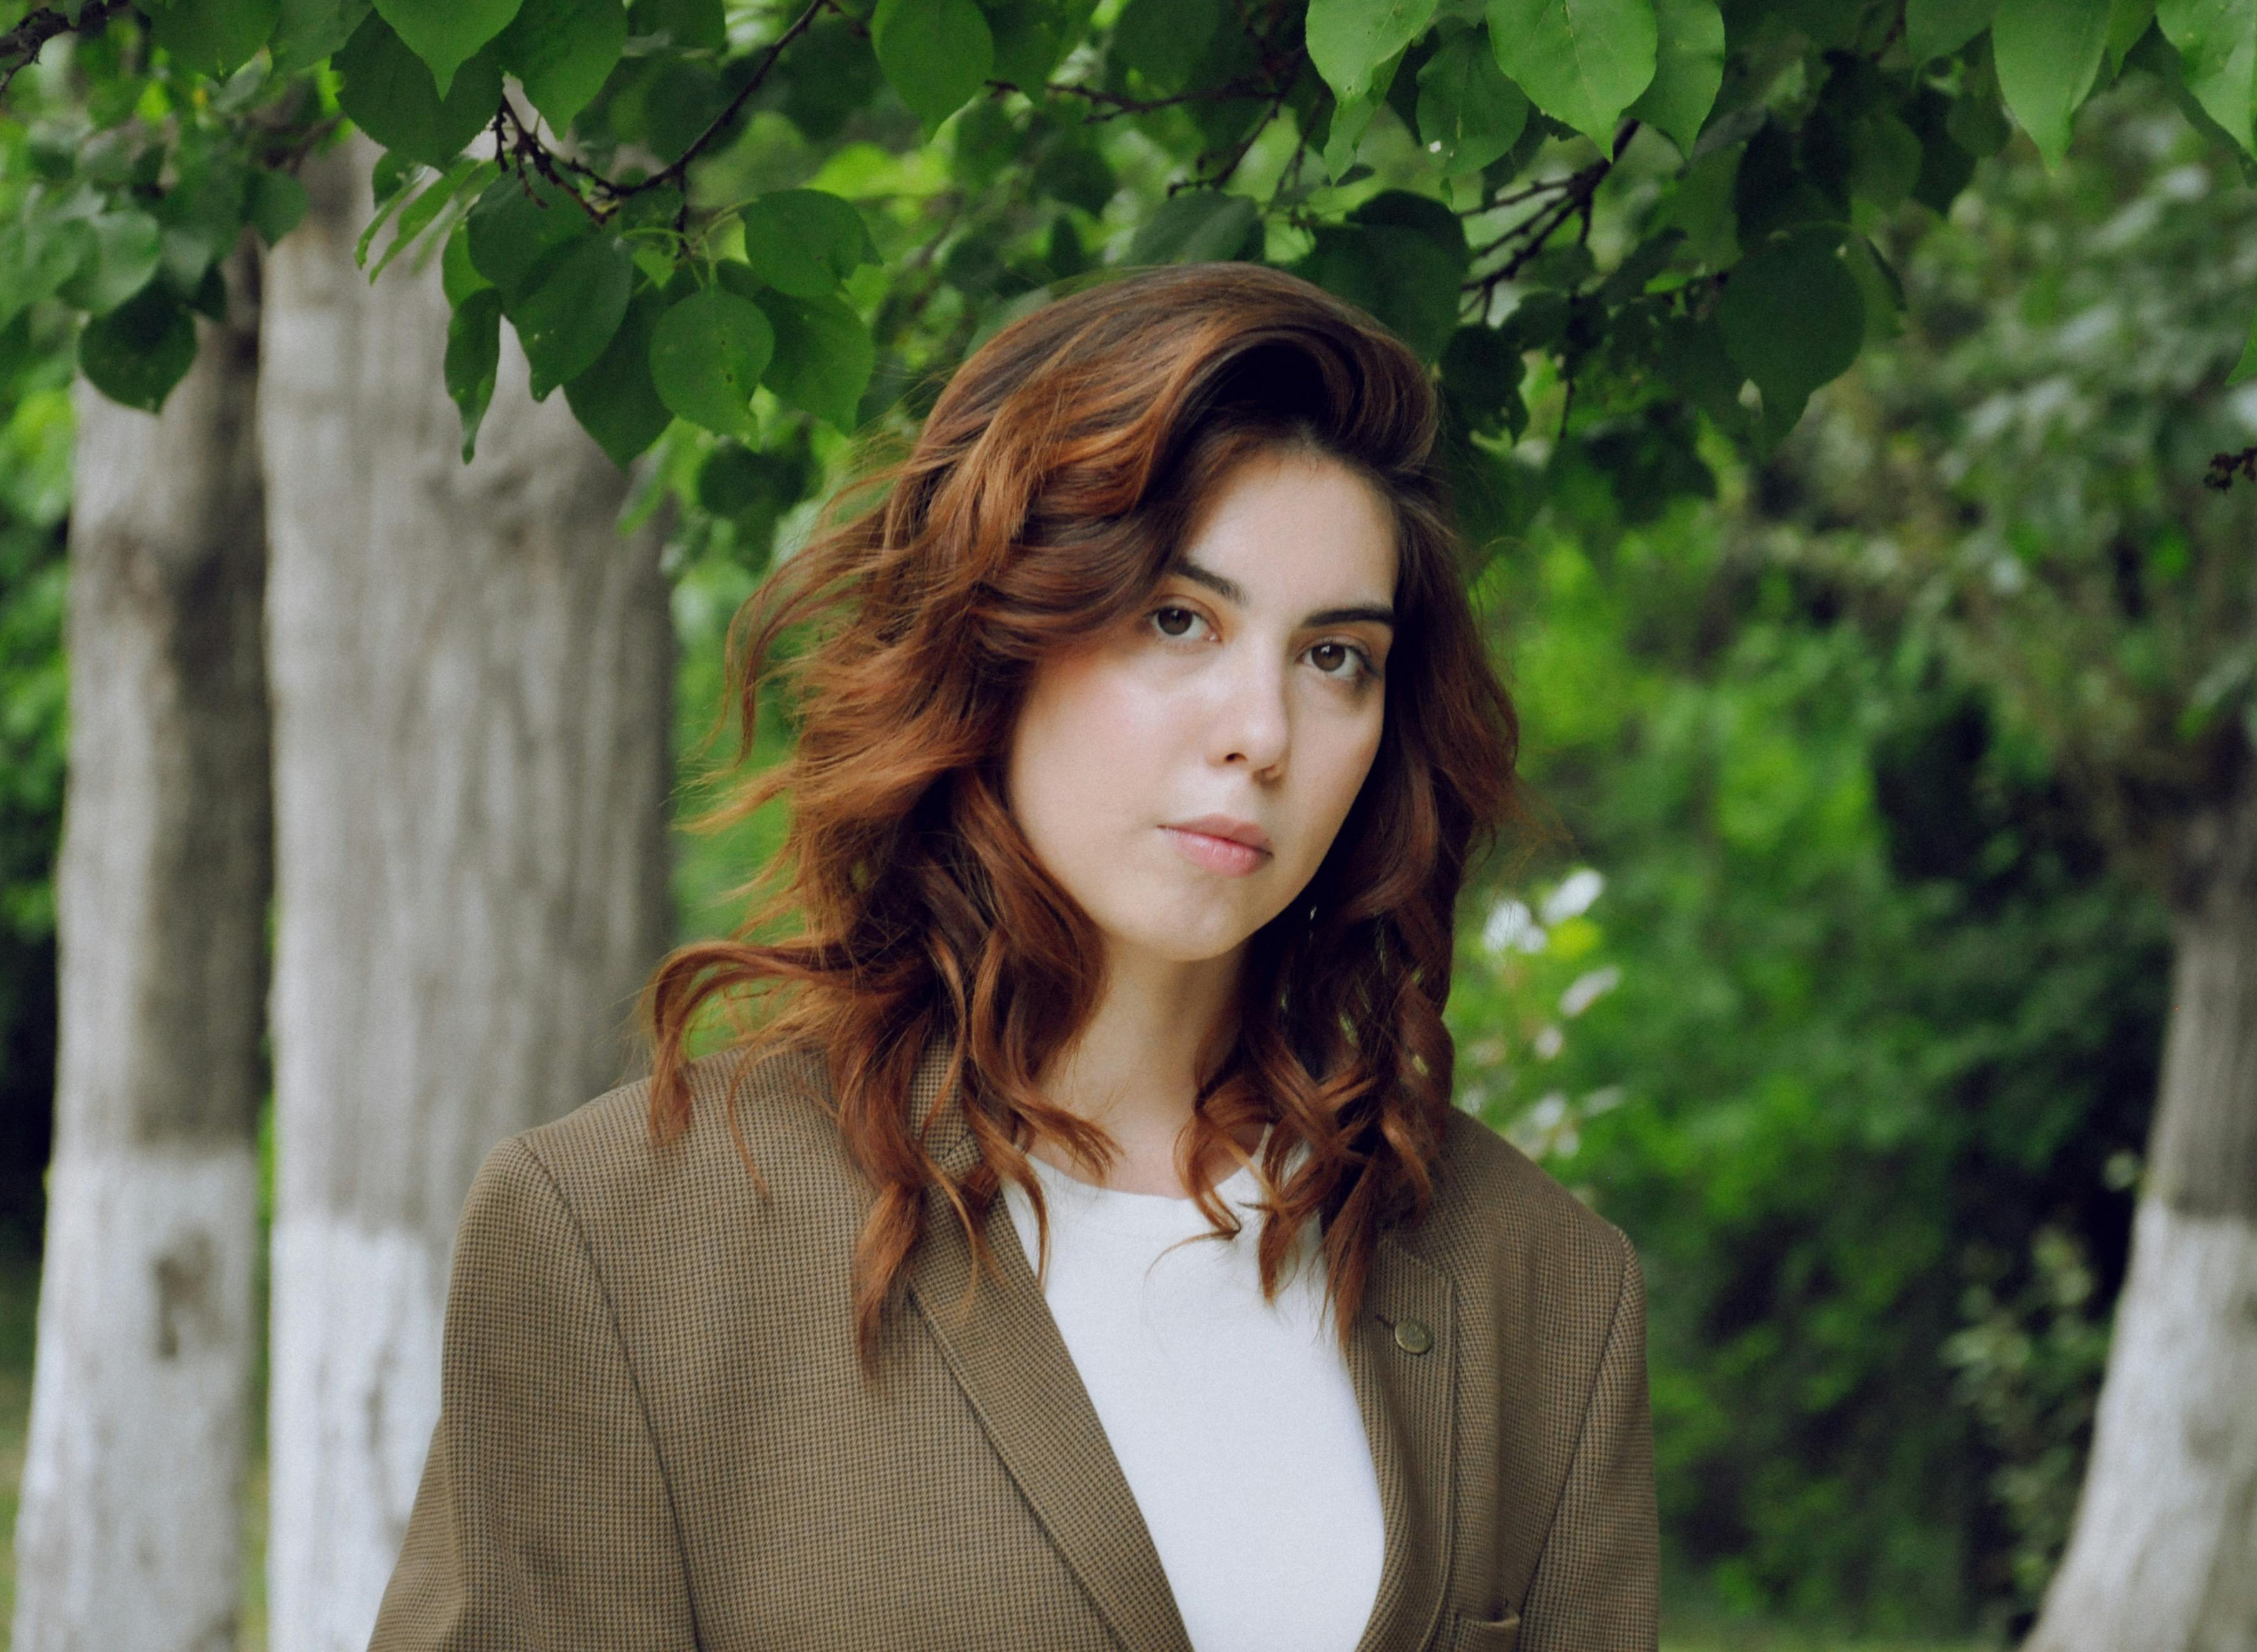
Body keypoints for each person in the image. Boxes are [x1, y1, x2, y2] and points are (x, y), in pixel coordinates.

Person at [367, 262, 1657, 1652]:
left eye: (1334, 655)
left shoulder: (1536, 1283)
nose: (1261, 731)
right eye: (1179, 619)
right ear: (1000, 634)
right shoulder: (622, 1239)